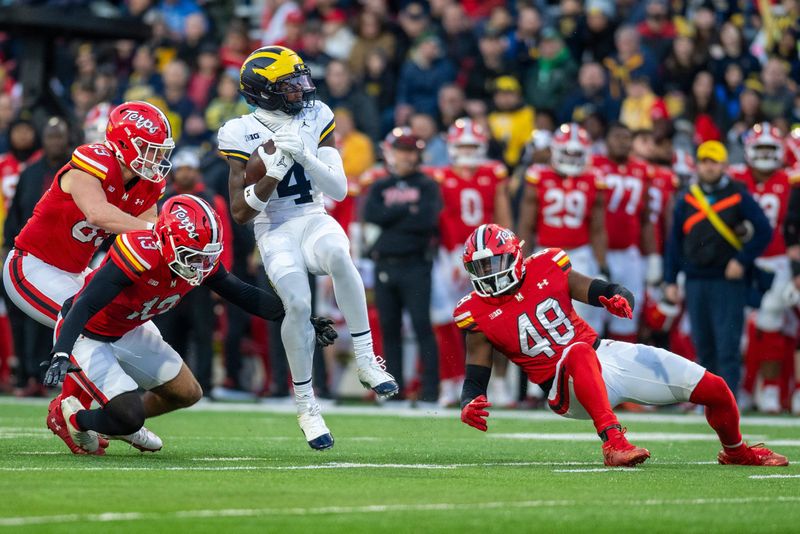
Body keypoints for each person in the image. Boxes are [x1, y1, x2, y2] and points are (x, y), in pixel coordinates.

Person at [456, 223, 788, 467]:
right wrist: (470, 400)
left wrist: (615, 296)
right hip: (564, 387)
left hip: (604, 355)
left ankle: (736, 450)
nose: (488, 274)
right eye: (480, 267)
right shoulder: (475, 312)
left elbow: (601, 287)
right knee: (577, 352)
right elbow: (475, 374)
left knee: (714, 387)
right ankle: (613, 442)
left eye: (493, 263)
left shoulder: (547, 265)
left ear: (515, 255)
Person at [41, 195, 337, 455]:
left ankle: (116, 423)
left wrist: (301, 318)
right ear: (168, 240)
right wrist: (62, 352)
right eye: (194, 256)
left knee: (187, 393)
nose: (200, 264)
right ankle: (75, 418)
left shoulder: (194, 259)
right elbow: (85, 303)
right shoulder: (140, 253)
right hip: (87, 333)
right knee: (130, 415)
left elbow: (241, 293)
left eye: (205, 256)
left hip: (127, 329)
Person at [218, 46, 397, 450]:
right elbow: (241, 213)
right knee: (298, 304)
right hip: (274, 228)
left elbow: (338, 188)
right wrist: (273, 174)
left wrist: (306, 158)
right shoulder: (238, 131)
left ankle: (367, 358)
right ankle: (306, 405)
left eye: (301, 80)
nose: (301, 89)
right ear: (263, 91)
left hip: (313, 216)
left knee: (338, 252)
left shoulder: (317, 115)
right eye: (289, 84)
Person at [2, 101, 173, 454]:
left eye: (160, 151)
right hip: (32, 266)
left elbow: (143, 237)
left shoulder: (148, 182)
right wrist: (160, 231)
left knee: (117, 319)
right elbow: (99, 215)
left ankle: (88, 411)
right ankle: (83, 412)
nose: (155, 158)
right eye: (149, 149)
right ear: (124, 143)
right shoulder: (92, 160)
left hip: (74, 272)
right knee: (92, 323)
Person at [664, 141, 773, 395]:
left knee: (727, 345)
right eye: (704, 161)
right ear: (698, 165)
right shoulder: (688, 197)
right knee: (703, 345)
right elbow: (674, 243)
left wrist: (742, 260)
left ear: (724, 165)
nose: (708, 167)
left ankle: (730, 401)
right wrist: (670, 280)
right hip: (695, 280)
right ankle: (710, 403)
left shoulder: (737, 194)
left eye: (713, 162)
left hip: (727, 280)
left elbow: (764, 231)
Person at [431, 118, 511, 406]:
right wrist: (447, 251)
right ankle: (450, 381)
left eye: (472, 146)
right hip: (451, 254)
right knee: (444, 319)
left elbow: (502, 213)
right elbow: (440, 217)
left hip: (490, 256)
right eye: (462, 145)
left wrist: (507, 250)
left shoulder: (494, 173)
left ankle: (500, 382)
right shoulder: (439, 177)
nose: (467, 151)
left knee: (499, 319)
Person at [362, 129, 442, 405]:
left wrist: (392, 218)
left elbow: (427, 221)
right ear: (392, 152)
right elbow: (371, 214)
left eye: (411, 151)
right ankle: (394, 389)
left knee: (422, 327)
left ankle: (431, 390)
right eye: (402, 151)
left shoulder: (427, 185)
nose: (407, 156)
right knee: (389, 328)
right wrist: (408, 211)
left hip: (416, 264)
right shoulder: (380, 185)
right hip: (385, 263)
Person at [728, 124, 800, 412]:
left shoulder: (790, 180)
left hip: (777, 260)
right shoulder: (735, 178)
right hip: (741, 259)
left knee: (770, 322)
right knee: (740, 331)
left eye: (772, 149)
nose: (767, 155)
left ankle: (769, 388)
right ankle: (745, 387)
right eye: (761, 148)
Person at [153, 150, 234, 397]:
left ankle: (205, 385)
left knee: (203, 333)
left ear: (196, 170)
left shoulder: (212, 198)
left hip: (202, 277)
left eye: (189, 168)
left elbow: (225, 240)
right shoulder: (164, 199)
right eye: (182, 168)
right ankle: (168, 386)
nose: (185, 173)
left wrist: (222, 281)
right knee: (168, 333)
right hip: (171, 277)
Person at [517, 123, 608, 334]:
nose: (571, 157)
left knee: (583, 319)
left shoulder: (594, 178)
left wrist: (602, 264)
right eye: (567, 151)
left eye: (576, 153)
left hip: (580, 254)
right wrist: (522, 258)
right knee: (540, 317)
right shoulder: (538, 175)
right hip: (544, 252)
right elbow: (526, 223)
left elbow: (598, 227)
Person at [3, 117, 71, 395]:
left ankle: (48, 374)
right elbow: (16, 213)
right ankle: (28, 375)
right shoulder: (30, 173)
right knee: (23, 318)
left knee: (55, 315)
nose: (55, 142)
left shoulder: (77, 172)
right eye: (51, 136)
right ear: (44, 140)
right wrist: (7, 246)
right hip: (29, 255)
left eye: (60, 137)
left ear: (67, 139)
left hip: (66, 257)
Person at [591, 123, 656, 342]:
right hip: (597, 252)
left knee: (628, 315)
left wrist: (653, 256)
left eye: (626, 137)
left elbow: (646, 217)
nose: (622, 142)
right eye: (617, 136)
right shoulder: (594, 166)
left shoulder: (642, 170)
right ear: (606, 140)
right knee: (592, 316)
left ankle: (623, 371)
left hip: (630, 253)